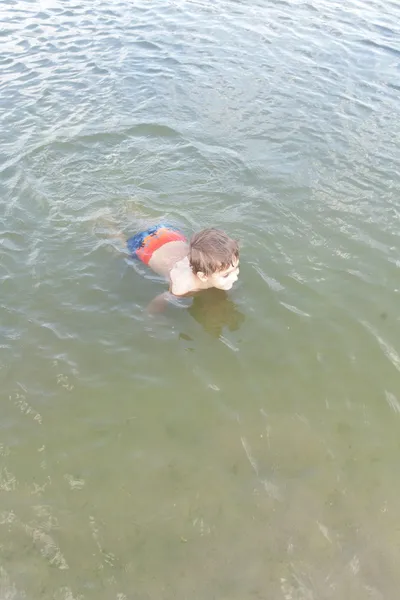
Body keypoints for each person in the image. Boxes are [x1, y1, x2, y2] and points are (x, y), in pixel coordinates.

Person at [125, 224, 240, 311]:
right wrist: (152, 320)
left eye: (236, 268)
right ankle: (107, 219)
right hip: (144, 247)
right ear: (203, 276)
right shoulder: (182, 287)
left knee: (140, 220)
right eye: (226, 275)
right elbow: (160, 300)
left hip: (169, 233)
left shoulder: (214, 265)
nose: (235, 277)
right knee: (120, 244)